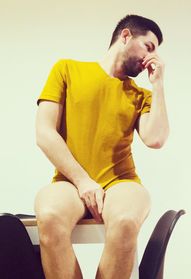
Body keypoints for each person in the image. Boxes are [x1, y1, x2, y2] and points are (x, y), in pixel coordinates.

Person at [34, 14, 169, 279]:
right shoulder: (66, 69)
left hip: (121, 181)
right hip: (70, 182)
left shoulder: (141, 95)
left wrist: (159, 84)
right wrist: (83, 181)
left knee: (126, 221)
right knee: (49, 216)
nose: (151, 59)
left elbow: (156, 139)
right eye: (149, 47)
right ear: (126, 35)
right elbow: (44, 133)